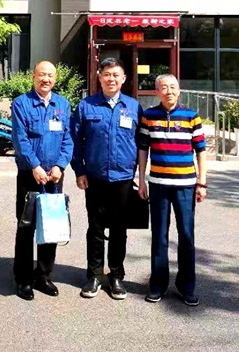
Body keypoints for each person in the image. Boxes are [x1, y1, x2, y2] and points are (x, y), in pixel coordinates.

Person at [71, 57, 143, 300]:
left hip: (123, 178)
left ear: (124, 79)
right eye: (107, 75)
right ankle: (94, 275)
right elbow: (75, 141)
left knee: (119, 228)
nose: (111, 79)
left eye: (116, 75)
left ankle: (116, 275)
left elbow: (141, 143)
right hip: (95, 177)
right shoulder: (86, 106)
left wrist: (141, 175)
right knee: (95, 227)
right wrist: (79, 171)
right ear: (99, 77)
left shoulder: (133, 107)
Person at [137, 74, 208, 307]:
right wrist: (142, 180)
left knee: (186, 236)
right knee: (159, 237)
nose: (169, 91)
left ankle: (187, 287)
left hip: (185, 186)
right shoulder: (149, 116)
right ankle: (157, 285)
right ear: (156, 92)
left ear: (179, 90)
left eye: (173, 87)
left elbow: (201, 151)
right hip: (158, 185)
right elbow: (143, 149)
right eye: (164, 88)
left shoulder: (191, 116)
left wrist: (202, 183)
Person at [11, 61, 74, 301]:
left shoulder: (63, 104)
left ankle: (43, 275)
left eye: (50, 75)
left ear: (55, 79)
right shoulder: (22, 103)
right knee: (26, 228)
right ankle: (23, 278)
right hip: (30, 174)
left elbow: (68, 138)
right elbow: (20, 139)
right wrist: (35, 166)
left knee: (51, 226)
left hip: (54, 176)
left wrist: (60, 165)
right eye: (41, 75)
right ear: (33, 77)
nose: (46, 79)